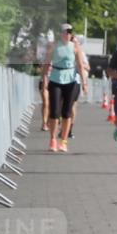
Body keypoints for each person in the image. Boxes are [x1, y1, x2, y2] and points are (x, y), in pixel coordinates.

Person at [41, 24, 88, 152]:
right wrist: (45, 78)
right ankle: (52, 139)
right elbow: (46, 63)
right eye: (65, 31)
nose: (67, 34)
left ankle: (64, 141)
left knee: (67, 112)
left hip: (71, 80)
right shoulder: (54, 46)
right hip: (56, 79)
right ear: (60, 33)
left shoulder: (75, 46)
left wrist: (84, 82)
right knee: (54, 112)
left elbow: (80, 65)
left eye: (70, 32)